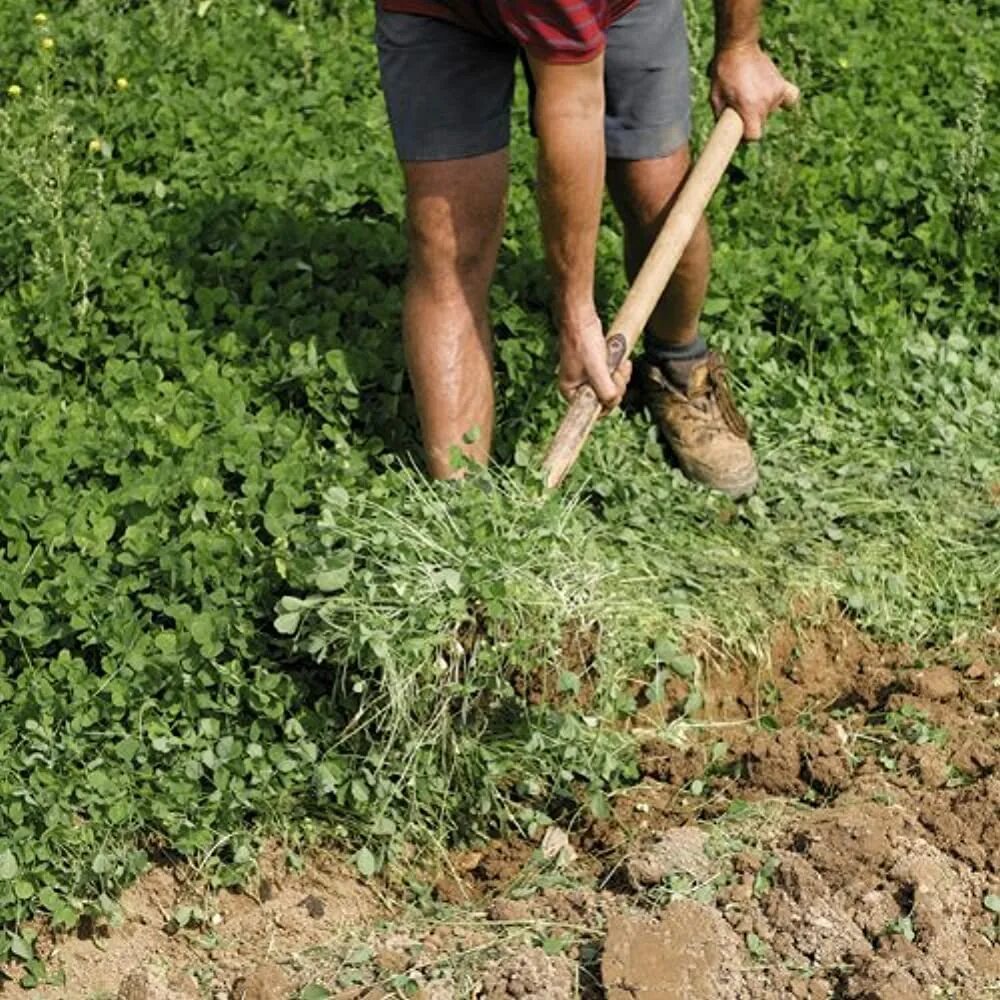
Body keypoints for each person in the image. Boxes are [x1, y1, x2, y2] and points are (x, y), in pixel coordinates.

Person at [375, 0, 798, 495]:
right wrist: (576, 316)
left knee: (657, 199)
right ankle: (463, 509)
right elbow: (570, 106)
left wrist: (740, 46)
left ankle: (679, 368)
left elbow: (574, 106)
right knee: (448, 243)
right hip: (440, 11)